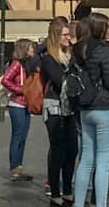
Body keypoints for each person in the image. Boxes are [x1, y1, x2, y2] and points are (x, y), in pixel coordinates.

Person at [71, 15, 109, 207]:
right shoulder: (103, 50)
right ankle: (100, 204)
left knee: (86, 159)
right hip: (104, 108)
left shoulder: (79, 49)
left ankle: (79, 203)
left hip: (85, 107)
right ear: (102, 29)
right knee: (103, 161)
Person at [39, 20, 77, 207]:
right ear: (55, 36)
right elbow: (58, 79)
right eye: (65, 35)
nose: (68, 38)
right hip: (54, 106)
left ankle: (68, 190)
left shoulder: (70, 56)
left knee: (72, 150)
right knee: (57, 150)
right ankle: (55, 192)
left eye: (69, 35)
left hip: (70, 108)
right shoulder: (48, 58)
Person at [2, 40, 34, 182]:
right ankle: (14, 167)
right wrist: (20, 90)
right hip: (17, 104)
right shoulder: (17, 64)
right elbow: (5, 80)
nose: (33, 50)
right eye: (31, 47)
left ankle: (19, 167)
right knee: (17, 135)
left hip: (26, 104)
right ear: (25, 49)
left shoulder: (27, 65)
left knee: (23, 136)